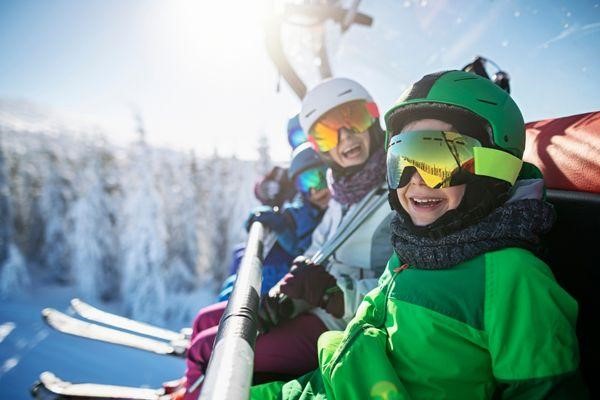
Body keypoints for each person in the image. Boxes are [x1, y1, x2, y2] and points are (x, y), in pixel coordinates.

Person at [250, 70, 586, 399]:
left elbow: (545, 388)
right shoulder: (413, 246)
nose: (416, 179)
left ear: (493, 166)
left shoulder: (513, 276)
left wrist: (332, 297)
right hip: (329, 380)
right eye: (403, 158)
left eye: (437, 159)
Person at [182, 77, 394, 400]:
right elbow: (315, 251)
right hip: (312, 306)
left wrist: (332, 295)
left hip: (341, 321)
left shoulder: (396, 192)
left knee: (217, 353)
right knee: (207, 325)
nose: (345, 137)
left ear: (372, 118)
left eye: (354, 119)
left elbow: (398, 282)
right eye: (327, 133)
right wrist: (287, 294)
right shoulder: (342, 190)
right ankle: (192, 391)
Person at [217, 143, 330, 301]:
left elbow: (306, 249)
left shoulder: (332, 211)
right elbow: (266, 192)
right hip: (281, 265)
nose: (314, 189)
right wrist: (267, 194)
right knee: (239, 260)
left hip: (289, 274)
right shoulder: (303, 205)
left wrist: (282, 229)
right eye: (306, 183)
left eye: (321, 179)